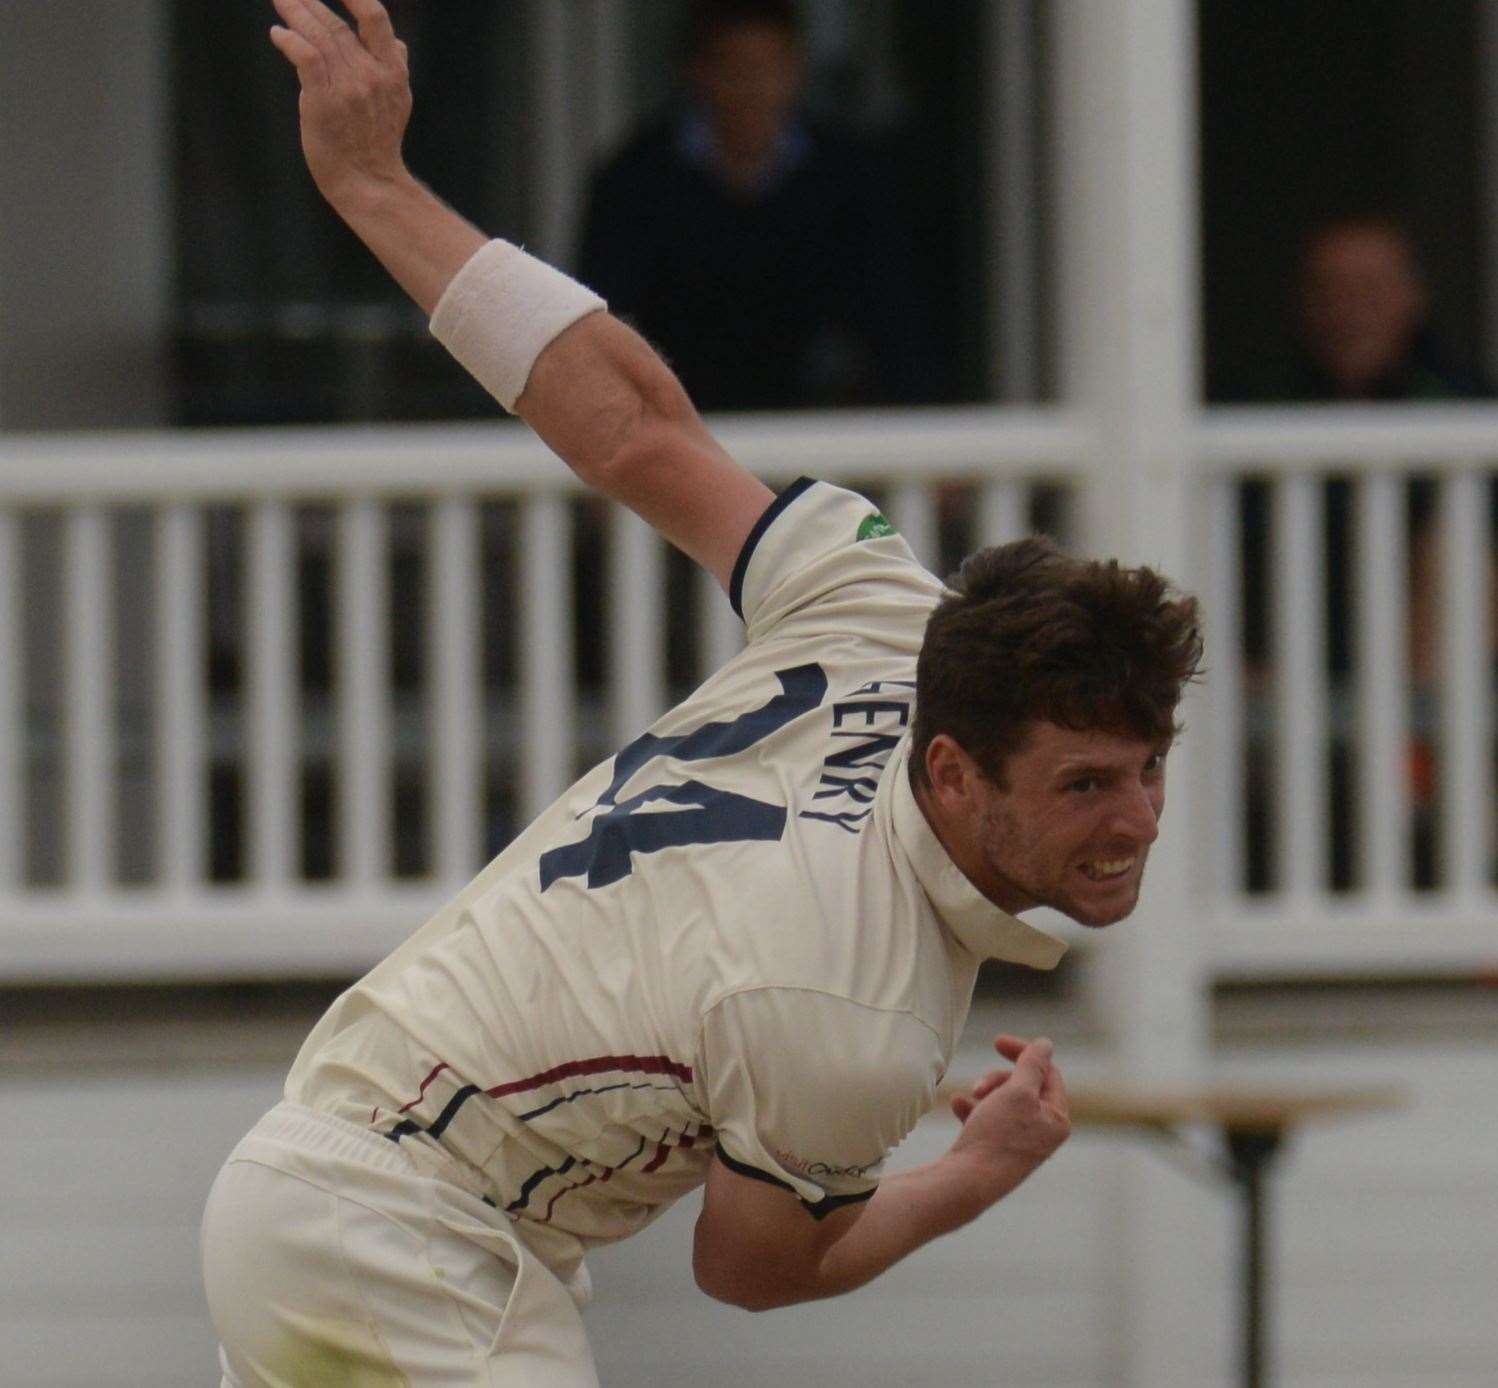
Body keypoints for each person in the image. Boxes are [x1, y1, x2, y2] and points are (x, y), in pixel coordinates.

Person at [201, 3, 1205, 1384]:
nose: (1137, 818)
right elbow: (751, 1271)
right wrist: (977, 1171)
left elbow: (634, 431)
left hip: (337, 1192)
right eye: (1085, 783)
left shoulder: (880, 614)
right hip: (405, 1235)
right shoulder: (856, 1012)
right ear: (956, 770)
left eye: (1147, 767)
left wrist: (377, 187)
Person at [575, 0, 943, 411]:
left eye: (770, 68)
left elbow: (894, 318)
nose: (754, 87)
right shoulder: (636, 182)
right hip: (674, 426)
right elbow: (604, 325)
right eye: (734, 68)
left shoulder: (846, 178)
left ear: (797, 70)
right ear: (697, 72)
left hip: (818, 426)